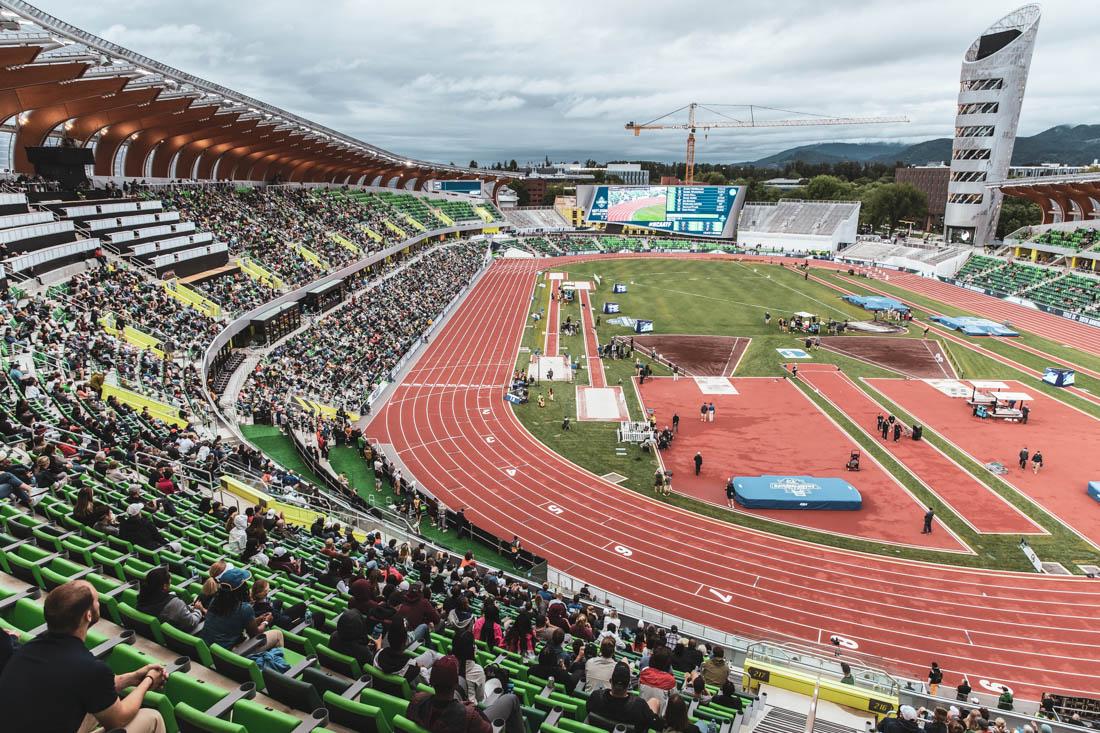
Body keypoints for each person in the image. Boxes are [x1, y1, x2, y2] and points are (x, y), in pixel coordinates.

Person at [0, 580, 168, 732]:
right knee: (152, 718)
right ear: (88, 615)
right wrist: (149, 681)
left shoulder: (28, 649)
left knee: (97, 703)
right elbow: (118, 719)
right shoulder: (90, 669)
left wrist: (132, 678)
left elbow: (92, 686)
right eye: (96, 600)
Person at [405, 654, 527, 733]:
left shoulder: (417, 700)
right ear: (454, 684)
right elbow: (489, 730)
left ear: (431, 681)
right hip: (467, 722)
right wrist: (467, 707)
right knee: (511, 699)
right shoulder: (470, 714)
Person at [197, 567, 284, 653]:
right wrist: (266, 622)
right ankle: (280, 662)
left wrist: (258, 619)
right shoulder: (244, 608)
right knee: (278, 634)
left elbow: (232, 622)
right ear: (241, 588)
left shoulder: (215, 600)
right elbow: (255, 636)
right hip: (229, 653)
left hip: (209, 648)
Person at [587, 662, 664, 733]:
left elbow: (588, 710)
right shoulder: (639, 705)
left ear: (610, 681)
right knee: (654, 701)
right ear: (628, 685)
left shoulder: (595, 696)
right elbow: (657, 725)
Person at [136, 566, 204, 633]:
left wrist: (190, 607)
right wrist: (198, 610)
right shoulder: (175, 604)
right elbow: (191, 622)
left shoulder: (142, 597)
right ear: (165, 586)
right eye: (169, 582)